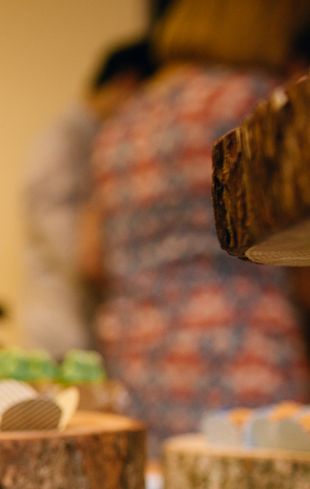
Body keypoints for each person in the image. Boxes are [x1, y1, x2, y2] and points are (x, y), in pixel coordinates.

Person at [86, 0, 310, 452]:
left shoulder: (126, 119)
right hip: (244, 356)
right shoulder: (263, 102)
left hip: (137, 355)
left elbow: (91, 258)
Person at [21, 41, 155, 358]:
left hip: (85, 327)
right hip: (62, 331)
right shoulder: (63, 144)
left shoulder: (92, 138)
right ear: (129, 83)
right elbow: (77, 255)